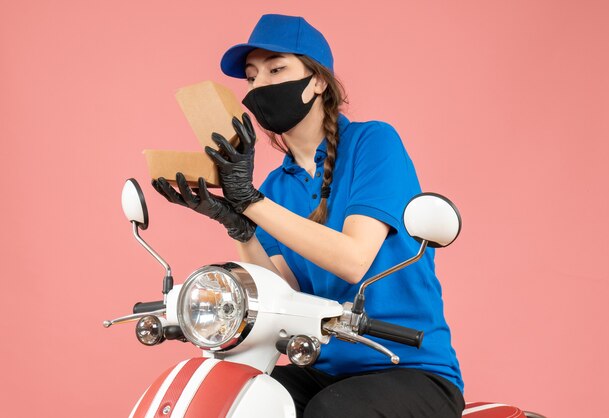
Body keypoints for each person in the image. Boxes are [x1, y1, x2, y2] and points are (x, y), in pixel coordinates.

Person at [153, 13, 464, 418]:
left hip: (409, 368)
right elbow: (280, 295)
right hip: (323, 369)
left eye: (276, 69)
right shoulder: (276, 186)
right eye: (251, 77)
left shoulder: (373, 143)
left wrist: (250, 202)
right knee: (233, 399)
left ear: (317, 81)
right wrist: (237, 225)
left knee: (330, 413)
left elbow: (353, 260)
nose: (260, 85)